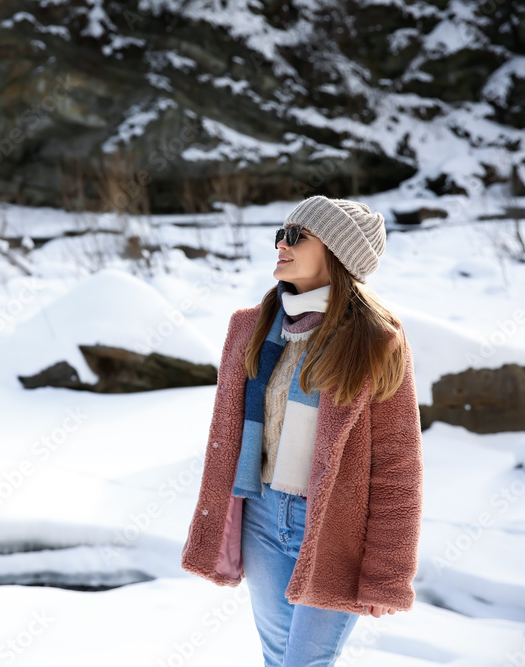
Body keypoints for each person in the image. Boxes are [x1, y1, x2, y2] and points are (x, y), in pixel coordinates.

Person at [180, 196, 424, 667]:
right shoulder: (251, 327)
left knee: (304, 663)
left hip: (335, 527)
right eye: (280, 233)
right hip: (262, 516)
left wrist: (387, 573)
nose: (281, 244)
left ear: (337, 253)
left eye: (297, 236)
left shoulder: (377, 340)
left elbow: (398, 467)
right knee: (278, 658)